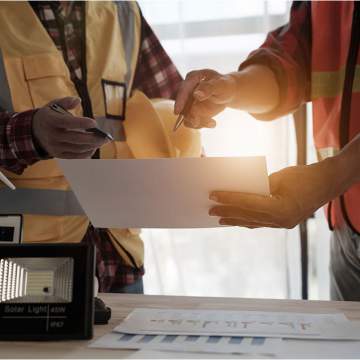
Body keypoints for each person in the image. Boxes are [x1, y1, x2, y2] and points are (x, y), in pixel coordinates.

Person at [0, 1, 200, 294]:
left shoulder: (123, 11)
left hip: (117, 261)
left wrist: (192, 120)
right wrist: (30, 133)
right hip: (22, 266)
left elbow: (172, 111)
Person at [175, 1, 360, 301]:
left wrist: (329, 178)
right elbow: (291, 61)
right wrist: (232, 87)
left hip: (338, 198)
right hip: (346, 229)